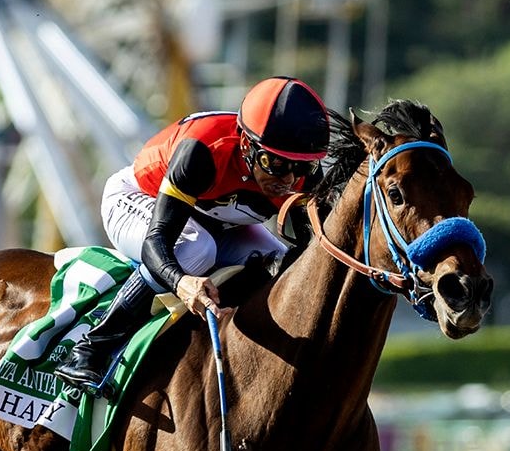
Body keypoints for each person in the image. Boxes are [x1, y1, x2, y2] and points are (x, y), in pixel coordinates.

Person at [54, 75, 330, 397]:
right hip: (139, 198)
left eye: (302, 168)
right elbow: (156, 242)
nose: (288, 179)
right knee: (196, 252)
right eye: (275, 164)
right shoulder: (203, 151)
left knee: (280, 265)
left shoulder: (301, 177)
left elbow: (312, 252)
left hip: (216, 222)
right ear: (246, 145)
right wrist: (182, 283)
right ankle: (91, 348)